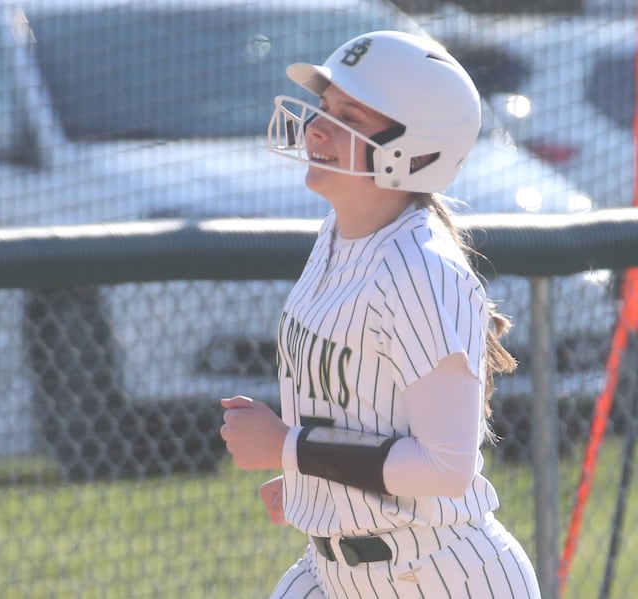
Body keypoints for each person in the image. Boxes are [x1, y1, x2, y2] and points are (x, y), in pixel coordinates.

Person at [220, 30, 541, 598]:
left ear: (412, 150)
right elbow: (369, 416)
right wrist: (312, 479)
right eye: (324, 106)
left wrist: (289, 448)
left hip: (436, 576)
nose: (317, 125)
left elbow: (447, 468)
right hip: (338, 570)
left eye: (350, 115)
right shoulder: (339, 235)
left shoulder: (420, 268)